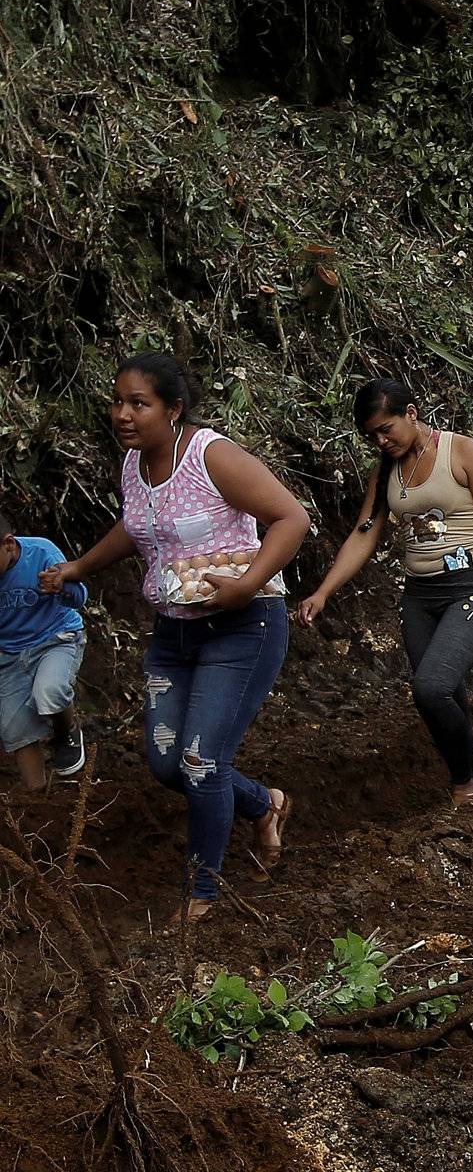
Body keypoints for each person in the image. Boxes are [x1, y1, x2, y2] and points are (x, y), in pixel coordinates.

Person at [41, 353, 306, 919]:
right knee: (168, 765)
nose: (123, 414)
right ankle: (264, 805)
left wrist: (247, 585)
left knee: (201, 760)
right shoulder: (133, 465)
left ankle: (202, 894)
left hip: (242, 625)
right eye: (118, 401)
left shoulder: (211, 456)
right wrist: (77, 568)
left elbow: (292, 518)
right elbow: (134, 528)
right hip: (175, 635)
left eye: (139, 403)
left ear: (174, 409)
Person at [296, 378, 473, 810]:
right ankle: (470, 776)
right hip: (421, 595)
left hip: (472, 589)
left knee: (431, 687)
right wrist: (323, 591)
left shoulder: (463, 452)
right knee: (444, 692)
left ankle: (465, 783)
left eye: (387, 429)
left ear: (412, 413)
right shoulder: (385, 471)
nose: (381, 440)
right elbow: (365, 534)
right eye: (372, 436)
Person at [0, 510, 88, 789]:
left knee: (49, 692)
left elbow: (80, 597)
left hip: (56, 639)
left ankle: (66, 731)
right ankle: (36, 800)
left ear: (9, 544)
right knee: (14, 730)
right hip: (9, 654)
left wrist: (62, 587)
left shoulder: (41, 552)